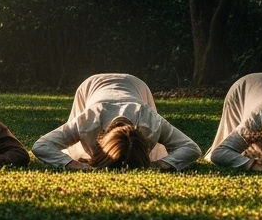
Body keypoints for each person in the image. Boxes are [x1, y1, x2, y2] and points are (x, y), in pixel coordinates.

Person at [33, 73, 201, 170]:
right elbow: (41, 146)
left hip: (136, 85)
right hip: (91, 85)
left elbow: (191, 148)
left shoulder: (151, 123)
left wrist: (161, 164)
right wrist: (74, 165)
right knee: (79, 153)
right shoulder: (88, 122)